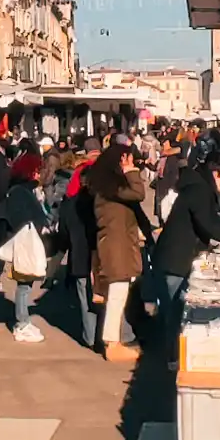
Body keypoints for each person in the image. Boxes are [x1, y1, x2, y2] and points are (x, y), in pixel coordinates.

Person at [150, 143, 220, 366]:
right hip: (175, 259)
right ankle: (173, 358)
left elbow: (210, 216)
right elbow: (207, 221)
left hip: (175, 256)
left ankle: (173, 354)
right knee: (175, 312)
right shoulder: (199, 190)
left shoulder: (198, 186)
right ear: (216, 174)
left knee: (175, 311)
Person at [86, 140, 150, 359]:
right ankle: (112, 343)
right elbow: (139, 193)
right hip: (116, 246)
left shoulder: (104, 186)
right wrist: (131, 171)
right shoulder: (111, 187)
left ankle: (113, 341)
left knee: (117, 294)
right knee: (117, 295)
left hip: (115, 244)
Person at [0, 152, 52, 343]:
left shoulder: (23, 190)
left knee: (26, 284)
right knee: (24, 285)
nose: (39, 174)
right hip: (25, 242)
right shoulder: (21, 192)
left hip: (27, 241)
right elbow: (21, 218)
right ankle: (22, 323)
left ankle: (23, 321)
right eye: (36, 171)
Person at [56, 160, 98, 348]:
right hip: (99, 256)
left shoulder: (68, 205)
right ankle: (104, 336)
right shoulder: (100, 203)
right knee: (104, 298)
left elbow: (63, 233)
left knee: (85, 299)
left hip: (79, 257)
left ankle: (89, 337)